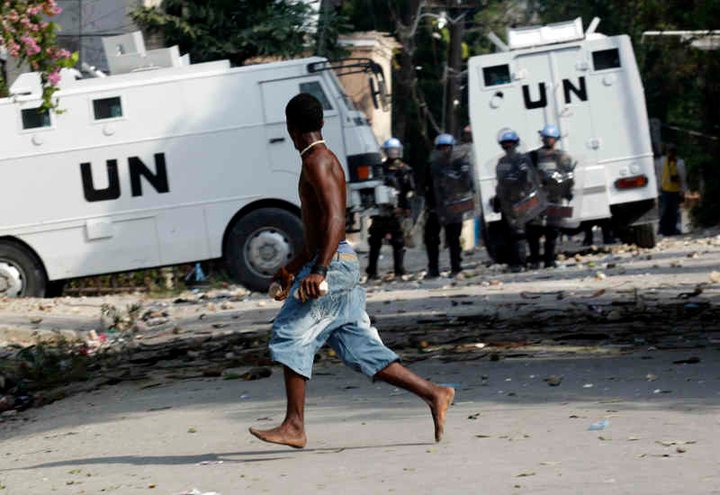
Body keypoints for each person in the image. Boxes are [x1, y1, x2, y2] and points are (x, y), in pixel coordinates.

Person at [249, 93, 454, 449]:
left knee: (289, 333)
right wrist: (291, 269)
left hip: (333, 264)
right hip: (332, 260)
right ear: (321, 123)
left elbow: (335, 220)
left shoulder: (317, 161)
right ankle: (434, 393)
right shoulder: (318, 159)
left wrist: (319, 271)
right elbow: (316, 234)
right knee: (357, 347)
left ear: (289, 127)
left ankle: (295, 425)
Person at [492, 130, 544, 272]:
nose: (508, 146)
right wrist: (498, 198)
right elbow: (500, 183)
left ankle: (535, 261)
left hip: (527, 199)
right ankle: (521, 262)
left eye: (510, 143)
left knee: (532, 232)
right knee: (517, 233)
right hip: (512, 202)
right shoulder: (501, 162)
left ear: (516, 144)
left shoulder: (524, 160)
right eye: (505, 144)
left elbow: (529, 178)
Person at [527, 124, 575, 268]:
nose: (548, 140)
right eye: (546, 137)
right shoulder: (533, 156)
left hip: (555, 197)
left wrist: (568, 191)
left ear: (556, 139)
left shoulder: (563, 156)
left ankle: (549, 260)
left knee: (553, 229)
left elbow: (568, 176)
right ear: (542, 138)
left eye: (551, 138)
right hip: (537, 197)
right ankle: (535, 260)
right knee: (534, 230)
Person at [366, 138, 415, 279]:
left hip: (397, 212)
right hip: (380, 212)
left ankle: (399, 270)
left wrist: (405, 207)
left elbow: (410, 191)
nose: (393, 153)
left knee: (398, 242)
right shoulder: (379, 169)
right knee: (375, 241)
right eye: (390, 150)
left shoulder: (405, 170)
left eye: (395, 150)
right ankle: (372, 271)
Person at [423, 133, 471, 278]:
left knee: (453, 239)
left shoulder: (459, 164)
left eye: (447, 147)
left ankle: (456, 267)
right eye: (441, 147)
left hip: (454, 206)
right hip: (436, 207)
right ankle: (433, 269)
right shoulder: (432, 165)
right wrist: (429, 203)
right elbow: (425, 185)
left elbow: (467, 184)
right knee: (431, 238)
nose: (444, 150)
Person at [654, 143, 687, 236]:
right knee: (666, 211)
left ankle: (672, 229)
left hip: (674, 190)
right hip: (666, 190)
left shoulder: (678, 163)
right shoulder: (662, 162)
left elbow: (682, 178)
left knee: (673, 211)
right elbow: (659, 175)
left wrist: (683, 190)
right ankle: (664, 229)